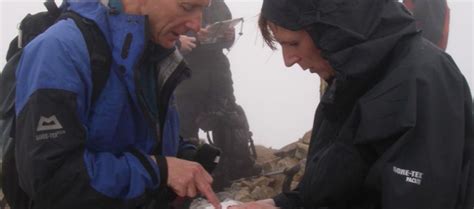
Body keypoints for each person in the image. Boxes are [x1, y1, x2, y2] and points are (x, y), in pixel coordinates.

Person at [231, 0, 474, 208]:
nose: (288, 60)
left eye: (293, 43)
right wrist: (283, 204)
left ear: (334, 29)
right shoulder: (349, 80)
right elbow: (338, 182)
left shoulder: (423, 80)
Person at [11, 0, 222, 208]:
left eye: (203, 9)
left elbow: (142, 140)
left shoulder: (156, 51)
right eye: (187, 7)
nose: (197, 24)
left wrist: (185, 156)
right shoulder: (59, 50)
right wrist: (160, 170)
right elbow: (52, 179)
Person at [175, 0, 259, 190]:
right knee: (186, 128)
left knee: (228, 118)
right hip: (187, 73)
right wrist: (180, 41)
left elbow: (228, 40)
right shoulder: (178, 3)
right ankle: (189, 181)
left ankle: (233, 169)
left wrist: (229, 36)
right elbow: (160, 31)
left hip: (217, 72)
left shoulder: (220, 5)